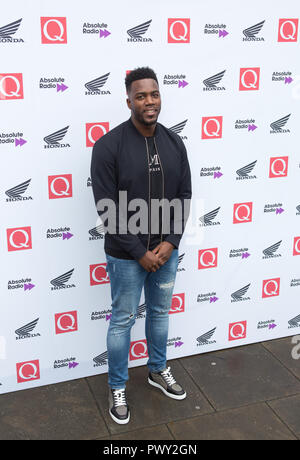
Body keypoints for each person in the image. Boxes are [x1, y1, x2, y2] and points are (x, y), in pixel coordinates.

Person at [91, 67, 192, 425]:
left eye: (154, 94)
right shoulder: (108, 145)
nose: (149, 102)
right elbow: (106, 206)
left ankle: (157, 370)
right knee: (122, 320)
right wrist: (139, 252)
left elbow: (184, 195)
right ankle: (116, 386)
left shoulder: (174, 141)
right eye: (141, 96)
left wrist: (170, 242)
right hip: (126, 256)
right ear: (129, 100)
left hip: (167, 252)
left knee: (160, 314)